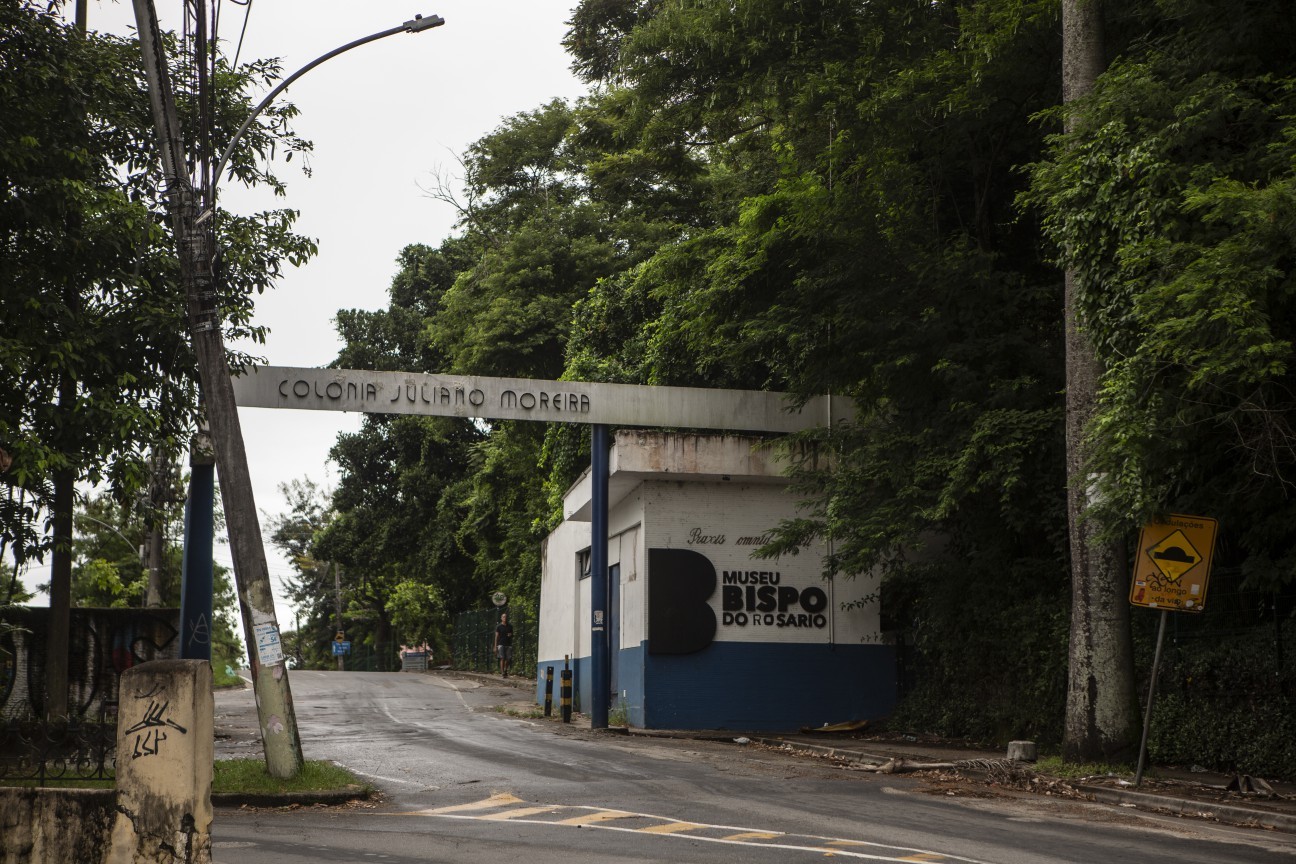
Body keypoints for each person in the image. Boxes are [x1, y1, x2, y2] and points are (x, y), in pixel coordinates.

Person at [493, 612, 515, 677]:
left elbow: (512, 635)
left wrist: (511, 635)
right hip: (501, 644)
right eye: (503, 617)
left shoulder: (510, 626)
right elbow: (496, 636)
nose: (505, 618)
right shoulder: (499, 627)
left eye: (506, 617)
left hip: (508, 644)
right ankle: (502, 672)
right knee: (502, 658)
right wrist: (495, 646)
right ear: (501, 618)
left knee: (508, 658)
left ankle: (505, 670)